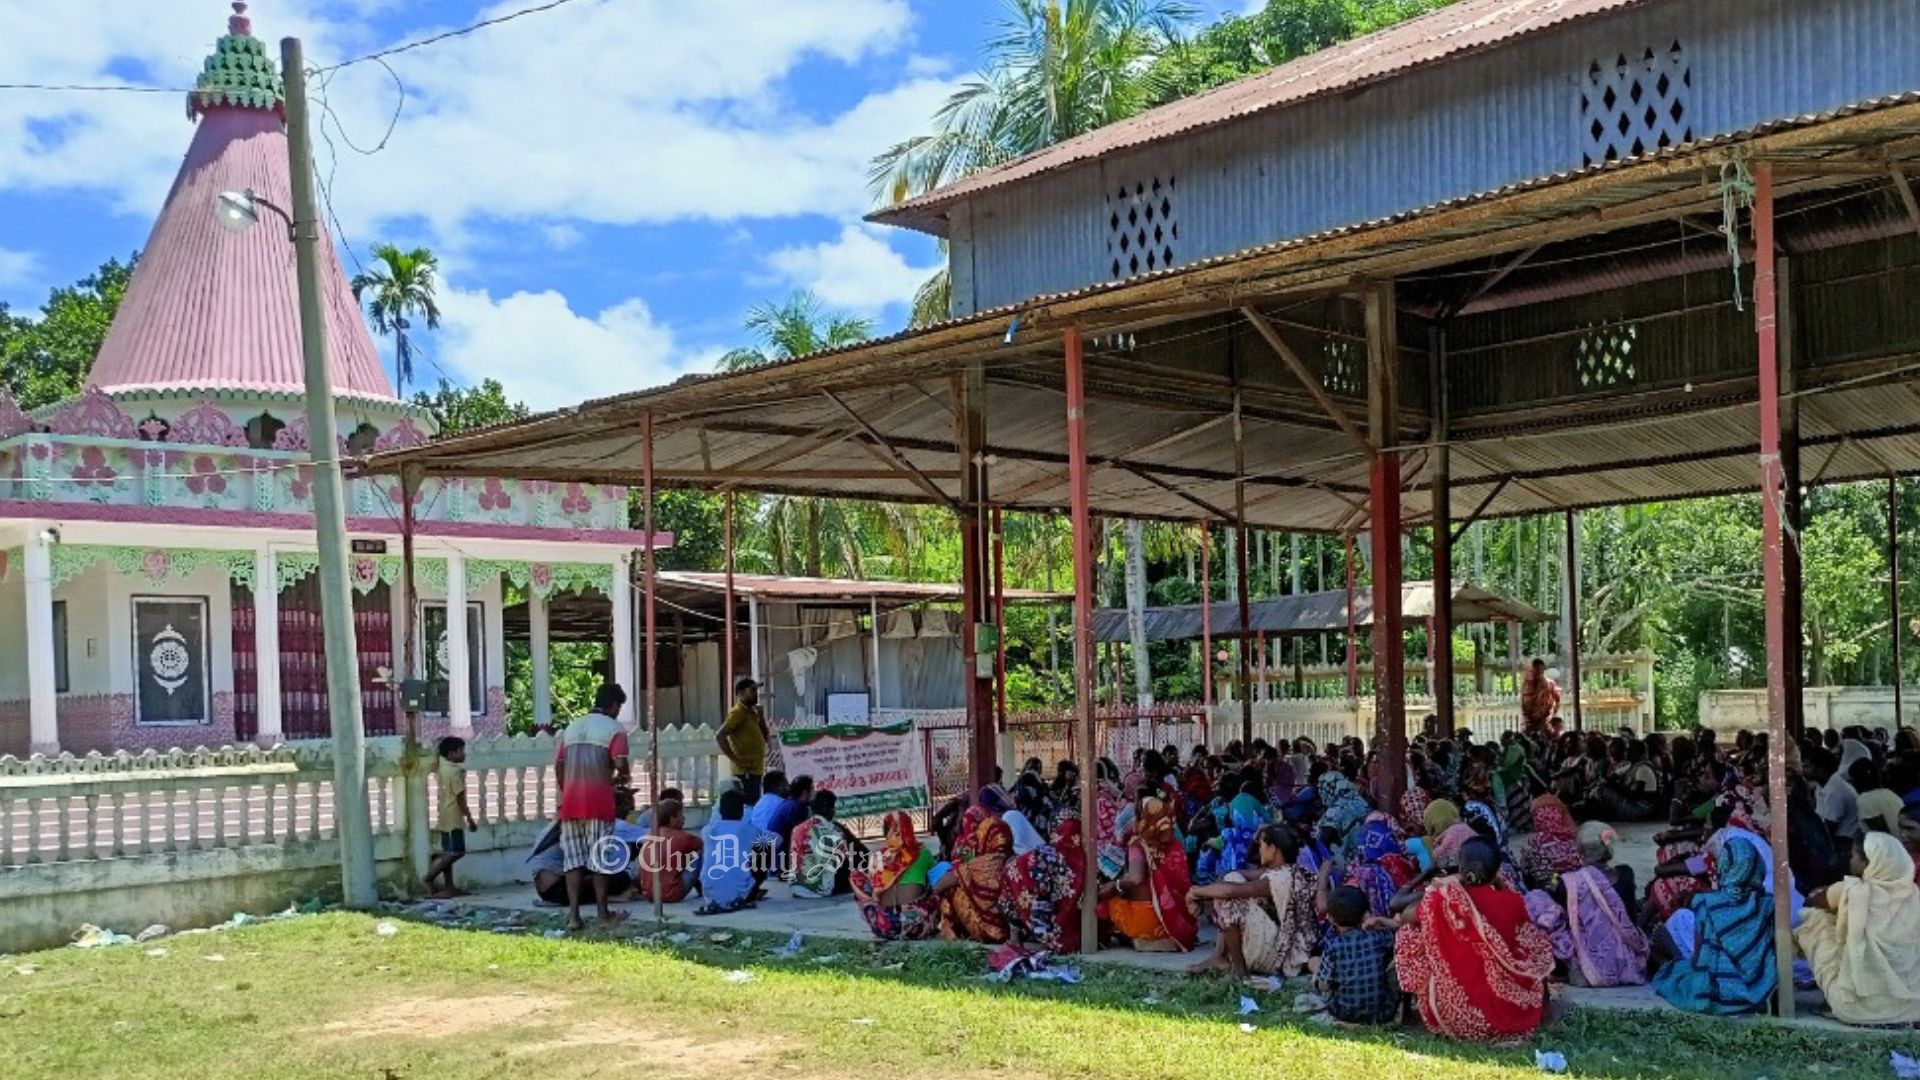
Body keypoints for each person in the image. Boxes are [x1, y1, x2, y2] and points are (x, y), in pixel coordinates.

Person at [1394, 838, 1555, 1043]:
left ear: (1460, 868)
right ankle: (1544, 1009)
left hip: (1460, 1019)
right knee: (1533, 942)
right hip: (1514, 1014)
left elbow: (1405, 916)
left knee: (1408, 933)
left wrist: (1444, 886)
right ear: (1497, 869)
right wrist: (1502, 885)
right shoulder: (1513, 901)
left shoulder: (1443, 900)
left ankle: (1413, 1009)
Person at [1796, 831, 1920, 1026]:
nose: (1851, 860)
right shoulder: (1914, 895)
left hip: (1856, 1010)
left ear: (1868, 863)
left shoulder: (1854, 890)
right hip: (1914, 1007)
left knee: (1815, 918)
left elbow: (1811, 902)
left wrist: (1826, 895)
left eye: (1854, 856)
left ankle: (1834, 998)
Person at [1652, 836, 1777, 1015]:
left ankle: (1666, 957)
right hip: (1759, 990)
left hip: (1716, 992)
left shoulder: (1708, 904)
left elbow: (1698, 961)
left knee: (1673, 972)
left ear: (1724, 866)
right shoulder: (1767, 905)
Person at [1187, 823, 1319, 977]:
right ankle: (1219, 957)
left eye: (1262, 844)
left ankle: (1239, 971)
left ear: (1273, 849)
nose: (1259, 849)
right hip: (1283, 949)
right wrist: (1202, 895)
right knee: (1230, 880)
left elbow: (1229, 891)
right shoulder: (1290, 870)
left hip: (1280, 958)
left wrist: (1194, 892)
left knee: (1228, 899)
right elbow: (1231, 875)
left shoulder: (1281, 877)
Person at [555, 684, 631, 931]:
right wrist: (623, 775)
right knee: (599, 859)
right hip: (599, 803)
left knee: (573, 862)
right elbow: (620, 762)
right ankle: (602, 913)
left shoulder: (571, 728)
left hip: (571, 803)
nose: (618, 712)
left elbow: (559, 765)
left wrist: (566, 790)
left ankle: (574, 916)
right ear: (613, 706)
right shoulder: (614, 729)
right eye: (619, 707)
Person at [1538, 822, 1649, 988]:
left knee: (1538, 902)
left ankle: (1563, 970)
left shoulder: (1569, 882)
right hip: (1627, 960)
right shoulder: (1626, 873)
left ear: (1580, 851)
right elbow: (1631, 919)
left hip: (1589, 964)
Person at [1106, 796, 1199, 952]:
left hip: (1150, 922)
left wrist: (1115, 885)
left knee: (1109, 900)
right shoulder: (1176, 845)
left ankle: (1136, 934)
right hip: (1179, 922)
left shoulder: (1139, 844)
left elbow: (1136, 879)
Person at [1000, 810, 1083, 953]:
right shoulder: (1083, 860)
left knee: (1011, 879)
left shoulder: (1040, 856)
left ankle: (1017, 938)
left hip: (1045, 928)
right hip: (1075, 935)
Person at [1319, 885, 1402, 1025]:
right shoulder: (1380, 936)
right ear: (1366, 914)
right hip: (1383, 1013)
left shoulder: (1333, 945)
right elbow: (1401, 931)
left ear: (1331, 919)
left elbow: (1324, 986)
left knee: (1317, 966)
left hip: (1344, 1013)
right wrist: (1379, 921)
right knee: (1393, 961)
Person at [852, 810, 938, 940]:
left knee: (857, 877)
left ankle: (882, 915)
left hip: (885, 927)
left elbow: (873, 886)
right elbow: (937, 881)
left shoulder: (878, 857)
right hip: (917, 927)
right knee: (937, 881)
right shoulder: (924, 854)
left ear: (886, 833)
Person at [934, 805, 1014, 943]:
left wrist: (929, 895)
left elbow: (948, 879)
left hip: (987, 929)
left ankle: (954, 934)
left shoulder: (978, 862)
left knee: (952, 890)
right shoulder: (1013, 861)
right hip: (1008, 928)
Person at [425, 736, 477, 898]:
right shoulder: (455, 771)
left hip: (443, 812)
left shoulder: (442, 766)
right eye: (460, 751)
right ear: (451, 753)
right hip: (453, 814)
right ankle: (429, 877)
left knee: (448, 851)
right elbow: (460, 798)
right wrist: (469, 818)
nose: (463, 754)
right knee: (456, 852)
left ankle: (449, 887)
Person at [699, 789, 764, 914]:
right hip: (740, 893)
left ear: (719, 811)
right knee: (765, 847)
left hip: (709, 894)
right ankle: (752, 888)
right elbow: (777, 840)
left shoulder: (707, 830)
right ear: (742, 811)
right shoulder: (747, 829)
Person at [788, 790, 862, 898]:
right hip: (820, 889)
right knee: (855, 867)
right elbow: (845, 862)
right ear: (830, 810)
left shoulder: (797, 829)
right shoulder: (834, 830)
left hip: (797, 888)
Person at [634, 798, 700, 904]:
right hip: (672, 894)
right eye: (680, 815)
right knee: (699, 853)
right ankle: (705, 889)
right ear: (671, 819)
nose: (684, 819)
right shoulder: (684, 837)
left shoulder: (650, 834)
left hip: (649, 894)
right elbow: (702, 847)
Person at [718, 676, 771, 802]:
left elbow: (765, 738)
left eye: (756, 691)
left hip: (755, 769)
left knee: (753, 804)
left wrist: (761, 718)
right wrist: (736, 760)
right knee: (748, 807)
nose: (756, 694)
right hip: (745, 772)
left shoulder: (751, 713)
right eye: (752, 691)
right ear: (741, 693)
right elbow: (720, 736)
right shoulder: (738, 712)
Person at [1520, 659, 1561, 735]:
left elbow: (1557, 699)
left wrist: (1552, 714)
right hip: (1530, 721)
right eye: (1536, 669)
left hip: (1545, 720)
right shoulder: (1527, 685)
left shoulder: (1550, 684)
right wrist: (1526, 716)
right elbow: (1523, 701)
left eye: (1541, 669)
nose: (1539, 672)